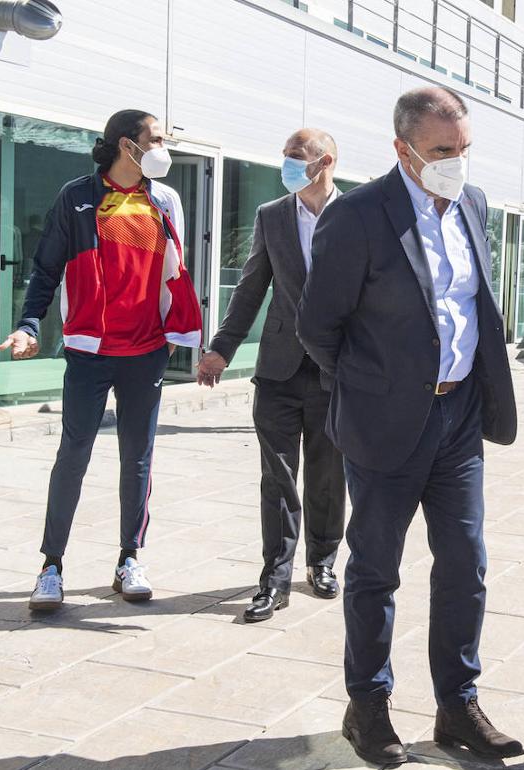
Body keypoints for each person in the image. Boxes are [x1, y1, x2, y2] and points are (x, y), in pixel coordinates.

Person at [297, 87, 520, 766]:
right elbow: (317, 327)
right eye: (442, 151)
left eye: (464, 149)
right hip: (385, 421)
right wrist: (373, 391)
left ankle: (458, 705)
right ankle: (368, 706)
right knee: (375, 571)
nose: (457, 162)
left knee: (466, 565)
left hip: (459, 418)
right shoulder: (359, 217)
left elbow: (471, 304)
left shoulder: (474, 205)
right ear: (403, 150)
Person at [0, 109, 203, 612]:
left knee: (138, 458)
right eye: (154, 139)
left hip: (147, 352)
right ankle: (51, 566)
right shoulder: (77, 196)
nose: (162, 147)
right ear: (125, 145)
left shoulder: (164, 199)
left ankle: (129, 559)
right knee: (73, 455)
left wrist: (174, 327)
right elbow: (46, 268)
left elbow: (175, 271)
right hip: (89, 351)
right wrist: (29, 326)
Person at [197, 128, 346, 623]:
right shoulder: (272, 216)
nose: (284, 163)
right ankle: (274, 577)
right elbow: (251, 287)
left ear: (324, 161)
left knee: (328, 476)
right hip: (279, 371)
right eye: (283, 155)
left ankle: (322, 561)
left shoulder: (358, 215)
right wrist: (221, 349)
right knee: (276, 479)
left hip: (336, 374)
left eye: (294, 156)